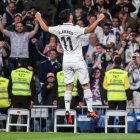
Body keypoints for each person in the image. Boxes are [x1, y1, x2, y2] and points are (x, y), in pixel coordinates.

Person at [35, 9, 105, 124]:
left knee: (69, 86)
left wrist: (38, 17)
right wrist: (99, 19)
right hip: (77, 59)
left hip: (66, 60)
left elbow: (45, 28)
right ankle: (90, 110)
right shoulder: (75, 29)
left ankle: (67, 110)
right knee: (86, 85)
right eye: (71, 15)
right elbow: (90, 29)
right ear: (70, 17)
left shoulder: (58, 28)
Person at [103, 56, 132, 133]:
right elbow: (127, 87)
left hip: (111, 97)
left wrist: (105, 99)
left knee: (111, 116)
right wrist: (129, 99)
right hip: (121, 97)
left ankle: (109, 131)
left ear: (114, 62)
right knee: (122, 116)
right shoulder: (124, 74)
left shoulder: (108, 73)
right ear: (121, 63)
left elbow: (105, 87)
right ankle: (122, 131)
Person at [9, 58, 36, 131]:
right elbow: (33, 88)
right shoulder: (30, 73)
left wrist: (10, 97)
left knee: (14, 115)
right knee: (26, 115)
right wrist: (32, 99)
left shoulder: (13, 72)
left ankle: (12, 130)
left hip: (15, 97)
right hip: (26, 97)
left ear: (19, 64)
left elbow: (9, 86)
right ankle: (25, 130)